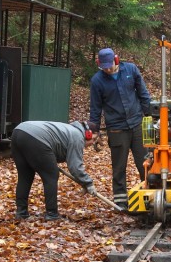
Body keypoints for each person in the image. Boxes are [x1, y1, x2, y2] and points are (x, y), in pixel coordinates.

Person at [88, 48, 151, 209]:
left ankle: (151, 194)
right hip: (116, 128)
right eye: (104, 67)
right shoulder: (97, 81)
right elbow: (95, 108)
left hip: (137, 123)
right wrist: (93, 131)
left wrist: (151, 114)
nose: (108, 69)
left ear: (116, 60)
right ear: (99, 65)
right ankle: (121, 201)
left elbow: (143, 94)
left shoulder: (130, 70)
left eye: (110, 66)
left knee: (144, 162)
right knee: (119, 166)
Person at [10, 120, 97, 220]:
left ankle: (21, 213)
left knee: (25, 176)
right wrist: (88, 183)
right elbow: (75, 167)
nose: (92, 143)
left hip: (19, 131)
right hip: (35, 137)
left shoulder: (69, 130)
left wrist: (83, 182)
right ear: (88, 133)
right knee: (51, 175)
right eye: (93, 139)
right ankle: (52, 214)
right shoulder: (78, 136)